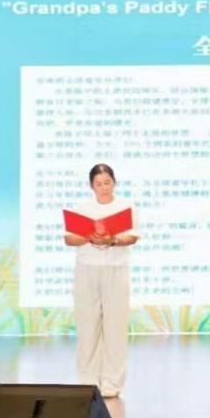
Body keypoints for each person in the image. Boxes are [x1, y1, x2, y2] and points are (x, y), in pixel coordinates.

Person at [65, 163, 139, 398]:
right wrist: (89, 236)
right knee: (87, 326)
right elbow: (69, 239)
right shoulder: (82, 208)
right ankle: (88, 380)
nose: (104, 187)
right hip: (87, 269)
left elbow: (132, 237)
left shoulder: (125, 206)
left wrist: (112, 240)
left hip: (116, 269)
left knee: (115, 327)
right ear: (91, 186)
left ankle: (111, 383)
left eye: (107, 182)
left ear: (114, 182)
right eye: (99, 183)